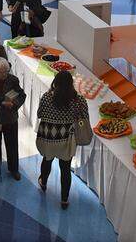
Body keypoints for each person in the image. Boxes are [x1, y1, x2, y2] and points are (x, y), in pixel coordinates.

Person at [36, 70, 90, 209]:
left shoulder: (47, 97)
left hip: (48, 137)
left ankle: (43, 183)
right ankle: (64, 199)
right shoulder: (79, 100)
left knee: (46, 160)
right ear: (71, 84)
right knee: (65, 169)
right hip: (67, 140)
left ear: (56, 82)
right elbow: (84, 119)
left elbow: (39, 113)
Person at [0, 57, 25, 180]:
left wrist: (14, 104)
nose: (4, 74)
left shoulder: (13, 80)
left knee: (12, 145)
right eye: (1, 72)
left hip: (10, 118)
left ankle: (14, 169)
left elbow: (22, 95)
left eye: (6, 71)